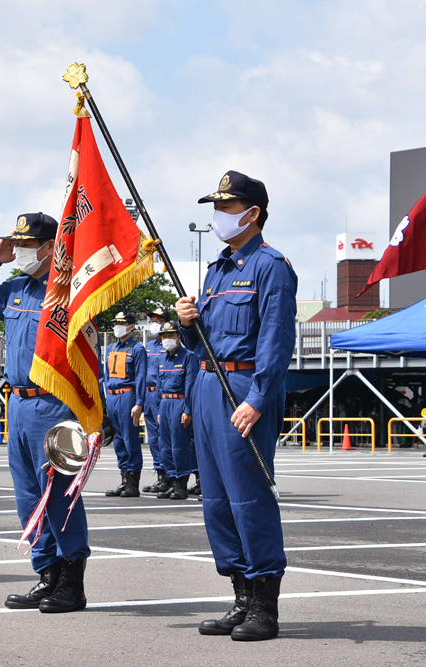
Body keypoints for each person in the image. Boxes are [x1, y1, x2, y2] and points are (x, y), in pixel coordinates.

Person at [176, 170, 297, 641]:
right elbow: (199, 342)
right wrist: (187, 323)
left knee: (249, 498)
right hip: (207, 388)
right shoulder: (217, 270)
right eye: (217, 208)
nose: (219, 216)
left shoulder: (271, 266)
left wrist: (259, 398)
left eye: (227, 208)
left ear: (253, 214)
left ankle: (264, 606)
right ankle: (240, 597)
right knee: (217, 502)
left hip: (242, 387)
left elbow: (275, 339)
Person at [0, 212, 91, 614]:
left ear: (50, 247)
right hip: (18, 404)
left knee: (59, 495)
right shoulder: (15, 289)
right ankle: (47, 575)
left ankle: (72, 582)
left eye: (24, 245)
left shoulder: (69, 293)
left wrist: (88, 415)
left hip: (55, 403)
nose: (18, 251)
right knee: (28, 497)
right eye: (14, 244)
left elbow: (88, 357)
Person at [103, 311, 147, 497]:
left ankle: (132, 483)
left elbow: (142, 377)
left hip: (127, 396)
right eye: (116, 322)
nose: (118, 326)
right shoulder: (111, 347)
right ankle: (123, 479)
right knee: (118, 441)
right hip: (112, 397)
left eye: (122, 322)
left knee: (130, 439)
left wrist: (139, 403)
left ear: (131, 326)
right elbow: (105, 375)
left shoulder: (137, 349)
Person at [154, 321, 198, 500]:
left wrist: (188, 410)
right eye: (164, 336)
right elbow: (158, 385)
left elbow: (191, 385)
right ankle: (172, 481)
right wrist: (158, 409)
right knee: (165, 446)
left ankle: (181, 484)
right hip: (164, 404)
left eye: (170, 336)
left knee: (179, 445)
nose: (166, 339)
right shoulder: (162, 358)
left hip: (179, 404)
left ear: (178, 337)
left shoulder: (188, 357)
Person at [142, 307, 171, 494]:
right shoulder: (150, 346)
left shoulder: (171, 345)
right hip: (148, 394)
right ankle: (161, 475)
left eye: (159, 321)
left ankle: (173, 476)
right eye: (153, 320)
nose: (154, 324)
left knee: (167, 437)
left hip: (164, 395)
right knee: (153, 438)